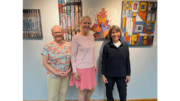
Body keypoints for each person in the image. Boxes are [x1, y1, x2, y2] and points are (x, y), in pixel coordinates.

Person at [69, 15, 98, 101]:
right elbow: (73, 55)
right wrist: (75, 71)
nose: (87, 25)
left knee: (92, 88)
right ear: (80, 24)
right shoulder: (76, 38)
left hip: (91, 67)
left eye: (89, 23)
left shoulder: (91, 36)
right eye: (85, 23)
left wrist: (95, 65)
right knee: (81, 90)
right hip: (80, 68)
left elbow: (93, 52)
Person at [41, 25, 72, 101]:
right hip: (53, 76)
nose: (58, 34)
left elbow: (72, 61)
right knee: (52, 98)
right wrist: (56, 73)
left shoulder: (69, 45)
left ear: (63, 32)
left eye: (59, 32)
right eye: (55, 32)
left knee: (63, 96)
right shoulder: (47, 47)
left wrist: (69, 70)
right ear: (52, 34)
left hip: (65, 76)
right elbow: (45, 63)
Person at [101, 25, 131, 101]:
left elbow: (127, 60)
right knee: (109, 95)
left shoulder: (124, 45)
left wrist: (128, 74)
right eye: (113, 32)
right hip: (109, 75)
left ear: (119, 33)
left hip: (122, 74)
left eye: (117, 32)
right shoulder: (107, 46)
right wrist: (103, 75)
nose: (115, 34)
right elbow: (103, 62)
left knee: (123, 95)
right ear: (110, 34)